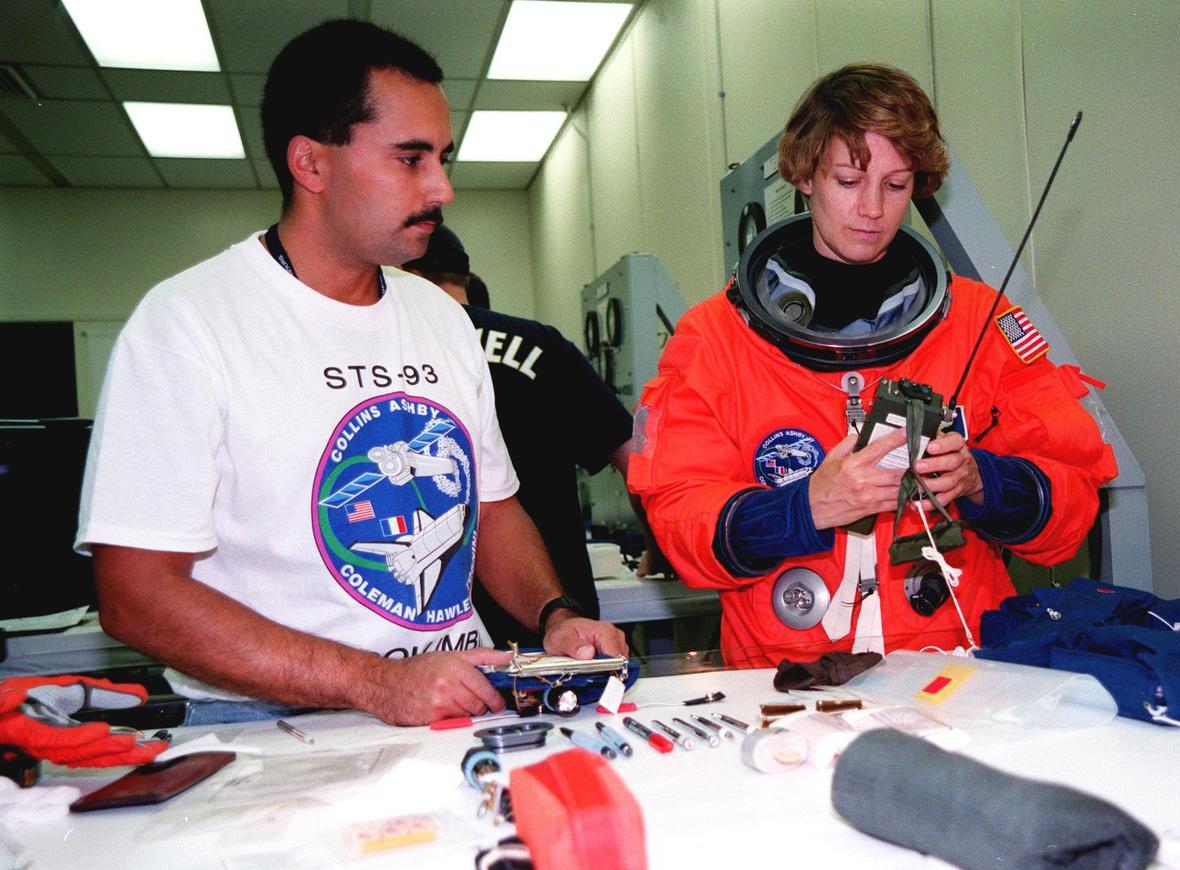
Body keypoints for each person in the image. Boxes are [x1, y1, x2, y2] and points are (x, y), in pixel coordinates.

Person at [75, 19, 624, 727]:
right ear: (311, 164)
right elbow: (135, 594)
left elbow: (489, 511)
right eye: (410, 158)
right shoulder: (187, 323)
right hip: (272, 725)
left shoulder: (440, 317)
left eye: (443, 158)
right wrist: (375, 682)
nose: (442, 188)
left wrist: (555, 614)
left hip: (457, 700)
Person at [628, 64, 1118, 668]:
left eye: (896, 185)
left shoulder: (981, 323)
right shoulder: (715, 339)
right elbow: (678, 522)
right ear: (804, 175)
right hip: (782, 682)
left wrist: (981, 480)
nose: (871, 209)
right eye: (848, 180)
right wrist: (807, 506)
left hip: (960, 671)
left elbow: (1073, 500)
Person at [403, 229, 670, 647]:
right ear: (465, 276)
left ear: (406, 275)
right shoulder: (542, 345)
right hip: (557, 614)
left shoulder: (401, 356)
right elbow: (637, 457)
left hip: (441, 621)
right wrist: (659, 549)